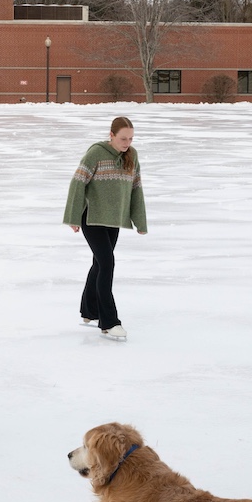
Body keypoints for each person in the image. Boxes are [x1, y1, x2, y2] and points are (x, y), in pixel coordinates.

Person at [64, 117, 147, 340]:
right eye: (122, 138)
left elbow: (136, 188)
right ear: (111, 135)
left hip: (114, 219)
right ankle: (109, 321)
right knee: (107, 263)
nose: (127, 142)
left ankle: (89, 310)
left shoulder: (132, 155)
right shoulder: (96, 154)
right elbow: (78, 183)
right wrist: (72, 216)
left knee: (99, 263)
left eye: (130, 138)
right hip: (91, 218)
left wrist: (140, 220)